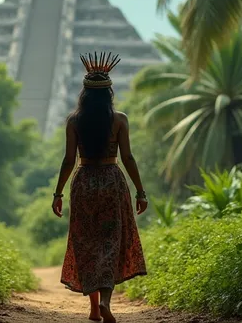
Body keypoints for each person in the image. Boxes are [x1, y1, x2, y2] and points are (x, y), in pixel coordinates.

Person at [52, 52, 148, 323]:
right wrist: (140, 191)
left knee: (87, 242)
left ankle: (94, 308)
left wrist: (58, 193)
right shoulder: (119, 120)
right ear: (109, 93)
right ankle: (105, 302)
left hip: (83, 183)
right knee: (110, 241)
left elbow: (69, 160)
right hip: (111, 182)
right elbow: (127, 158)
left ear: (84, 94)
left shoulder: (73, 121)